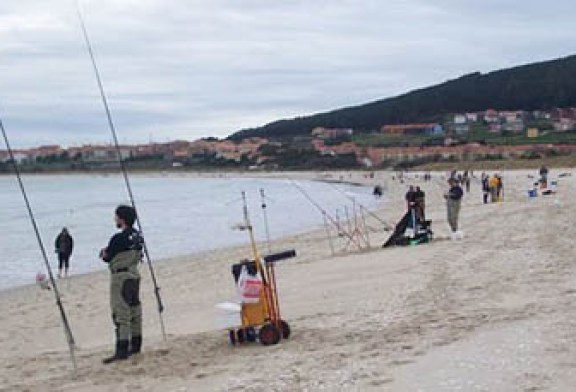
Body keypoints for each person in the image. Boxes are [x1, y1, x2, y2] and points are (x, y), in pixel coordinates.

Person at [100, 205, 144, 364]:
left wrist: (103, 252)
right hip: (134, 275)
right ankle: (136, 344)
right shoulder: (138, 236)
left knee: (121, 313)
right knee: (135, 310)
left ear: (122, 219)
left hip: (120, 277)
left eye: (116, 217)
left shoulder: (118, 238)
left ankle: (122, 350)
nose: (115, 219)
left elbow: (107, 257)